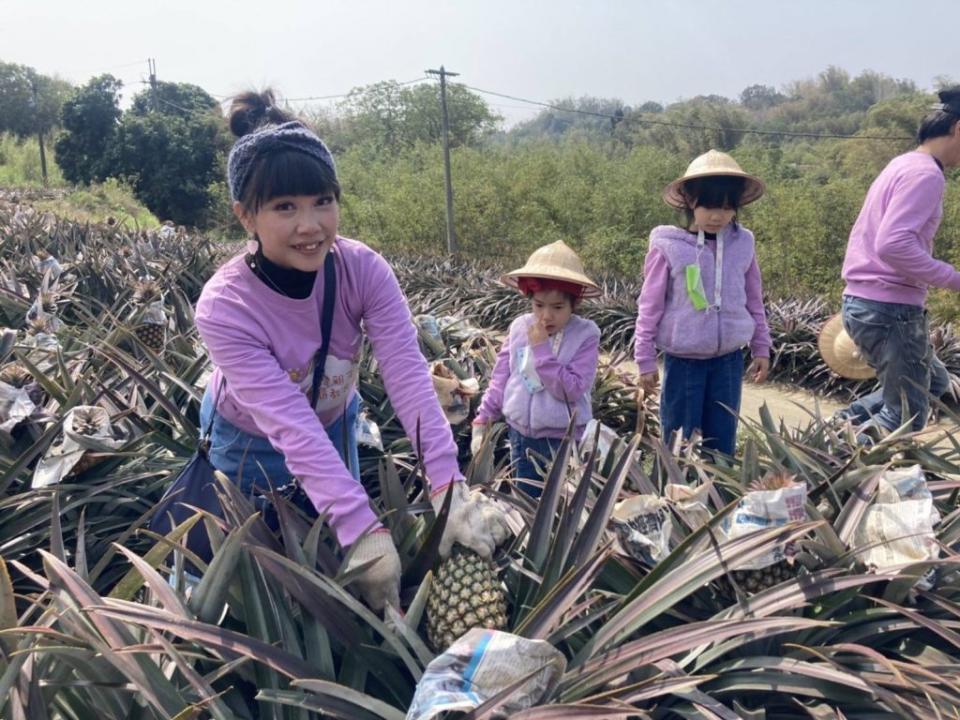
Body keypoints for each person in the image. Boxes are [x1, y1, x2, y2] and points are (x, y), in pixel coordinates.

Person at [194, 90, 508, 611]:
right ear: (245, 216)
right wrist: (361, 526)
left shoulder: (362, 269)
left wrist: (446, 486)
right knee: (265, 568)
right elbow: (288, 423)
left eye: (323, 201)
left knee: (333, 544)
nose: (310, 224)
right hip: (249, 438)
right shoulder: (226, 307)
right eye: (284, 207)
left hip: (336, 419)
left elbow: (407, 375)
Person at [837, 87, 960, 440]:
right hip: (891, 310)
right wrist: (952, 278)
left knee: (934, 381)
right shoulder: (927, 175)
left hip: (865, 303)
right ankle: (838, 463)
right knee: (905, 414)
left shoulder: (903, 163)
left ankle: (841, 424)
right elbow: (893, 244)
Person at [634, 150, 771, 457]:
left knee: (721, 441)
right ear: (690, 201)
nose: (717, 216)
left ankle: (717, 499)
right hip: (684, 362)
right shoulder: (668, 246)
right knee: (679, 442)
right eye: (708, 205)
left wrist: (761, 345)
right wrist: (644, 358)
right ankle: (674, 499)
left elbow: (754, 297)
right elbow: (650, 305)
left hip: (729, 361)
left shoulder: (743, 243)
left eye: (726, 207)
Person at [471, 241, 601, 496]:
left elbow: (572, 390)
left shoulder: (585, 335)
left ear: (574, 304)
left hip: (561, 441)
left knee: (560, 505)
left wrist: (542, 350)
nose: (546, 316)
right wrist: (483, 417)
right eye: (539, 305)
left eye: (557, 307)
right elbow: (501, 376)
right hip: (521, 436)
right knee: (526, 498)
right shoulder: (520, 327)